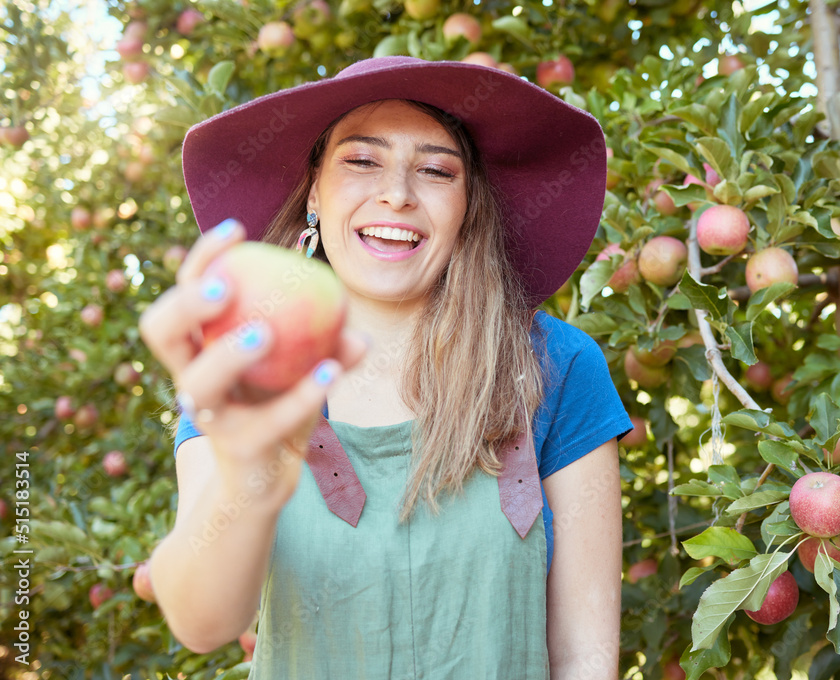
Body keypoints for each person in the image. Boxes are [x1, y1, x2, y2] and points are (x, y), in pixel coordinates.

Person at [140, 56, 632, 679]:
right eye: (362, 160)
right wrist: (245, 472)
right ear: (315, 189)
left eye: (434, 170)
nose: (397, 193)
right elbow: (203, 621)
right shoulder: (244, 365)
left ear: (467, 206)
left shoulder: (554, 366)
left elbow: (586, 660)